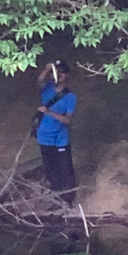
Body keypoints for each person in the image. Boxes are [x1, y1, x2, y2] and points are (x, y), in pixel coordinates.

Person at [35, 60, 77, 206]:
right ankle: (55, 197)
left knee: (65, 169)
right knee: (50, 169)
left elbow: (67, 120)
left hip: (60, 139)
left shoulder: (70, 97)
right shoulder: (48, 89)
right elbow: (39, 83)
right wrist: (47, 69)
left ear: (67, 75)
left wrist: (49, 112)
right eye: (57, 72)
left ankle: (69, 199)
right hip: (44, 137)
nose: (59, 75)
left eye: (62, 72)